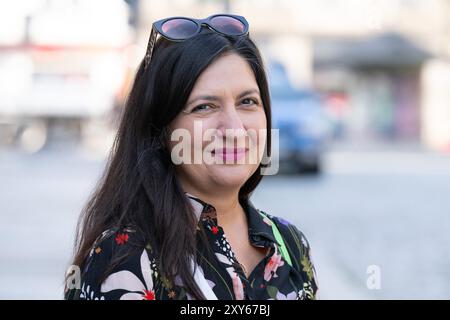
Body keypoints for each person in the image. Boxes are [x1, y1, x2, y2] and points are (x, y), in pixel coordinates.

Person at [65, 14, 318, 300]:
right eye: (204, 107)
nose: (234, 129)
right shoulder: (125, 256)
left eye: (247, 102)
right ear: (160, 130)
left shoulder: (290, 244)